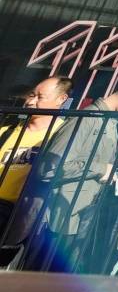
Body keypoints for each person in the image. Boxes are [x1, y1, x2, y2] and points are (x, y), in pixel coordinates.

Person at [4, 74, 118, 274]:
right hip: (54, 223)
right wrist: (101, 168)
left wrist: (114, 165)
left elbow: (84, 162)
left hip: (72, 220)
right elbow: (49, 168)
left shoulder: (108, 122)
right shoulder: (88, 119)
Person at [0, 75, 71, 266]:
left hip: (24, 213)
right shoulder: (6, 131)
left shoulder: (62, 135)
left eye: (40, 97)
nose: (31, 101)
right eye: (31, 95)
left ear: (61, 99)